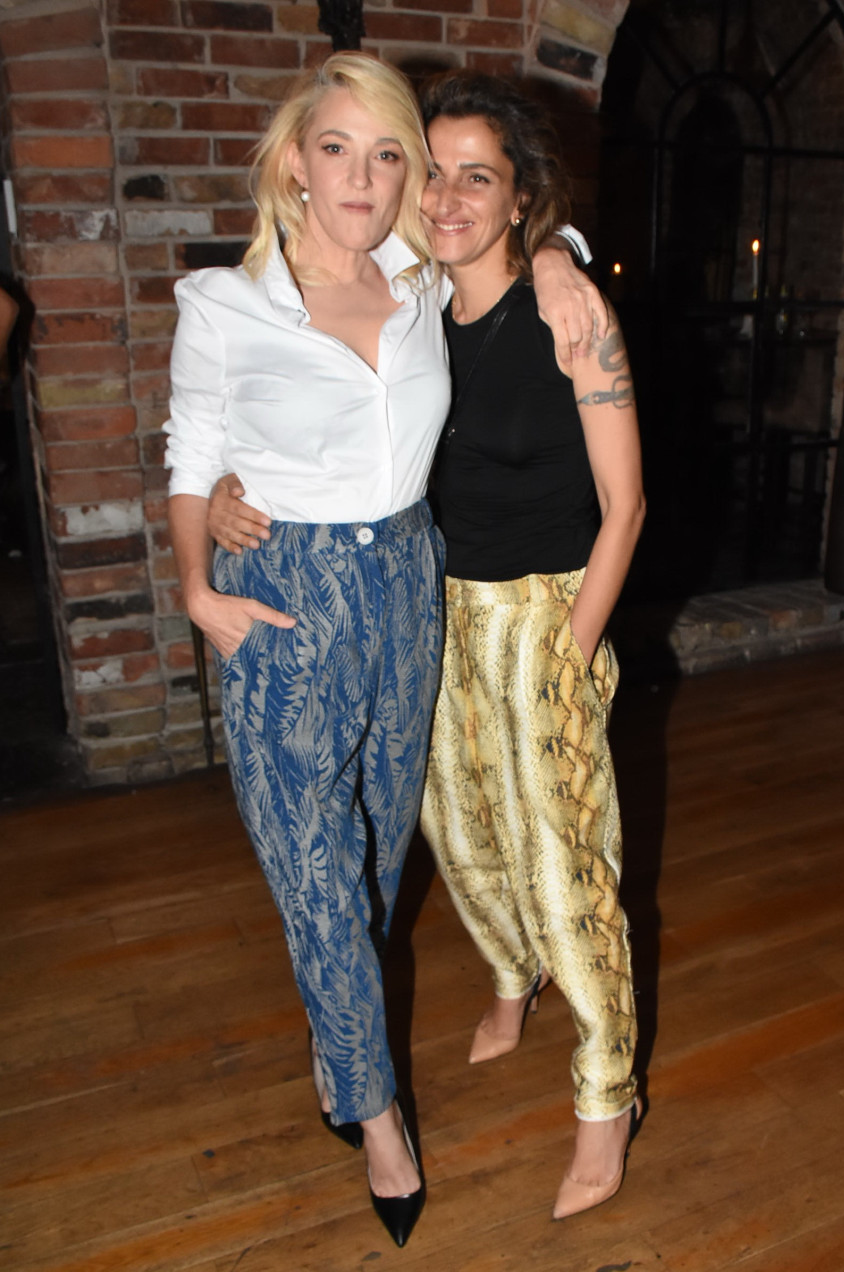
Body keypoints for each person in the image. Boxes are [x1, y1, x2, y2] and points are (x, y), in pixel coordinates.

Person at [165, 52, 603, 1246]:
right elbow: (191, 456)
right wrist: (196, 584)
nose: (361, 176)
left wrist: (558, 258)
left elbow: (508, 233)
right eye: (336, 148)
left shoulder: (413, 274)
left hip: (408, 583)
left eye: (386, 153)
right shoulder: (226, 304)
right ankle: (376, 1118)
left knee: (369, 858)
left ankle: (337, 1045)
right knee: (312, 868)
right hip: (281, 595)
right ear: (294, 164)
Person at [417, 71, 645, 1221]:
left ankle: (606, 1095)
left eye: (479, 176)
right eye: (433, 172)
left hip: (548, 610)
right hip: (436, 616)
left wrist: (571, 649)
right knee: (459, 836)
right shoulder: (405, 310)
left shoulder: (572, 319)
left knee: (567, 869)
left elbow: (627, 506)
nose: (449, 197)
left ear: (517, 199)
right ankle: (511, 977)